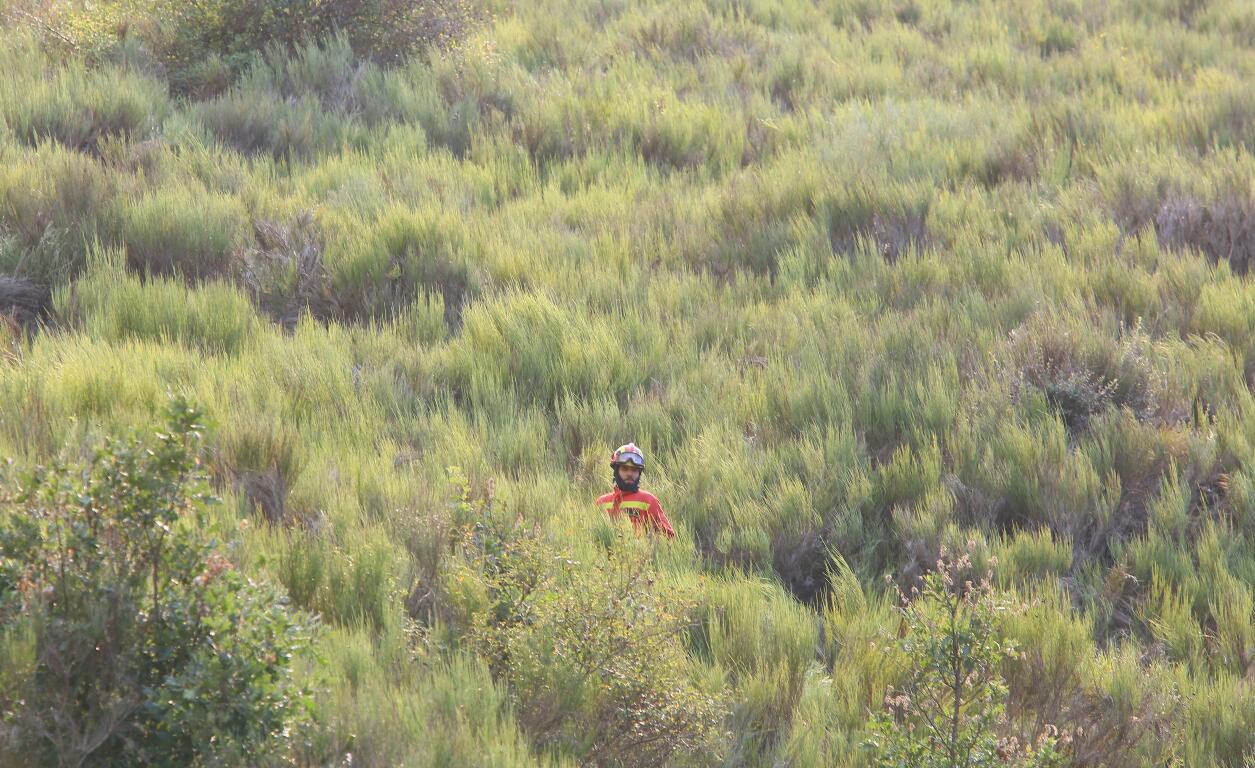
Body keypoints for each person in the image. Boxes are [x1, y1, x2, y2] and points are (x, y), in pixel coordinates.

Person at [596, 443, 675, 538]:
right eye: (624, 469)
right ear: (616, 471)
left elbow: (669, 537)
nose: (629, 473)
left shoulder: (648, 500)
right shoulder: (602, 502)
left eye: (634, 470)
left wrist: (650, 541)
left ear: (639, 473)